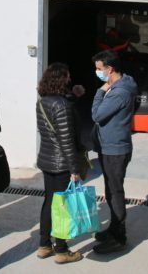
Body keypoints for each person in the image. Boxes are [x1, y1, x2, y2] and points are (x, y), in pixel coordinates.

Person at [36, 63, 85, 264]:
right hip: (61, 163)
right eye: (67, 77)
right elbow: (66, 140)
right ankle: (62, 250)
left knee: (49, 202)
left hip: (47, 160)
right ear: (61, 80)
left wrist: (73, 96)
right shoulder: (62, 106)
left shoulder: (43, 102)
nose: (70, 80)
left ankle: (44, 245)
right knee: (62, 206)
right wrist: (75, 168)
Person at [90, 50, 138, 254]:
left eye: (99, 69)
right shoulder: (122, 83)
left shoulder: (120, 91)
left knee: (115, 193)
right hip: (110, 146)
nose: (97, 72)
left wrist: (100, 92)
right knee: (110, 191)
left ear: (109, 69)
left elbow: (97, 115)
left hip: (115, 149)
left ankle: (119, 237)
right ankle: (113, 228)